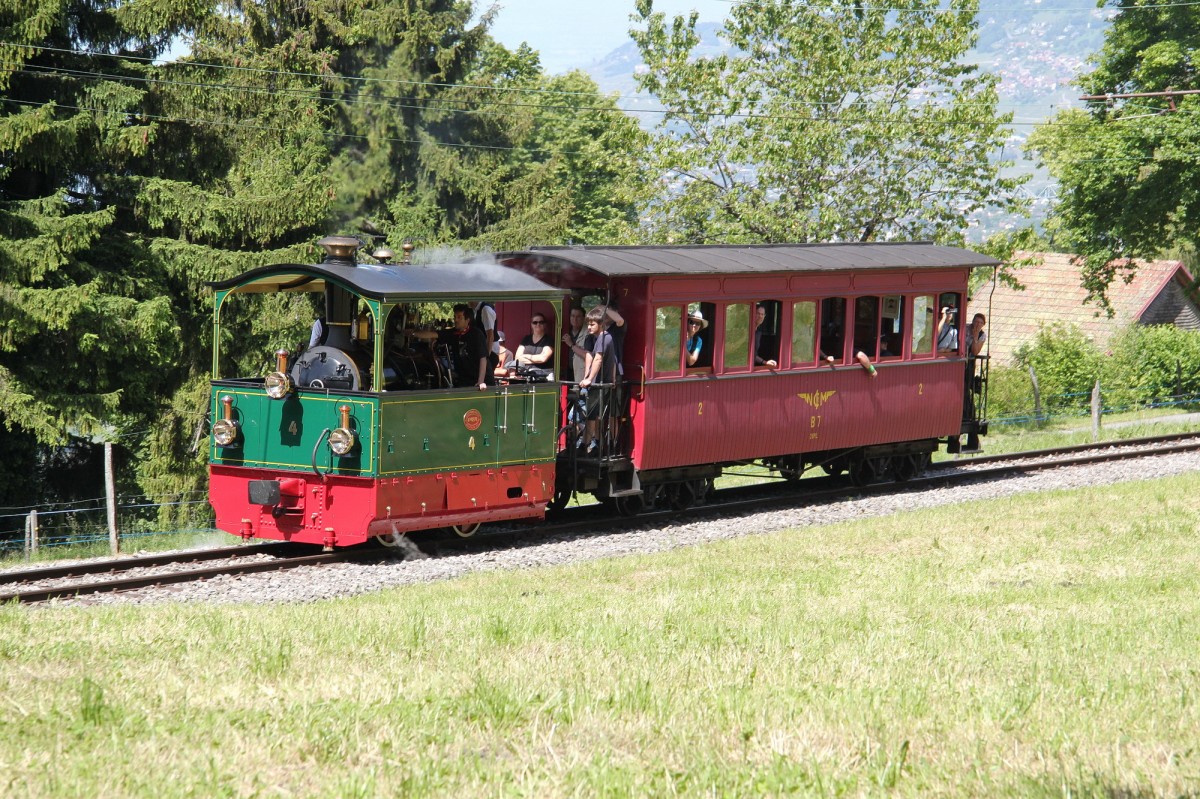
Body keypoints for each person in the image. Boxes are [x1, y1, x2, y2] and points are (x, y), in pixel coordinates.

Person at [579, 306, 619, 454]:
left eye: (592, 324)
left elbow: (598, 359)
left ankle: (588, 444)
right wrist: (613, 378)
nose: (589, 327)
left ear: (601, 324)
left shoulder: (603, 338)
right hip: (603, 382)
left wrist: (589, 379)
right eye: (588, 324)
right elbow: (614, 360)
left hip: (599, 383)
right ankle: (591, 443)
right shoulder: (605, 338)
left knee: (591, 415)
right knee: (595, 414)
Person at [447, 304, 489, 391]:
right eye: (455, 317)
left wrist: (481, 381)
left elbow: (483, 358)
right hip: (465, 380)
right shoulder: (454, 333)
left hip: (481, 381)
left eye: (459, 317)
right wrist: (413, 333)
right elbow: (436, 334)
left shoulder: (476, 334)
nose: (455, 320)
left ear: (467, 320)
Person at [469, 300, 499, 379]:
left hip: (490, 352)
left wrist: (486, 358)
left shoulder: (485, 309)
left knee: (487, 380)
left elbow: (490, 336)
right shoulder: (476, 310)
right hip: (484, 352)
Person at [560, 305, 588, 382]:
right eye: (572, 316)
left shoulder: (588, 333)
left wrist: (571, 344)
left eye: (578, 316)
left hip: (581, 372)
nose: (575, 319)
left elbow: (587, 355)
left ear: (583, 317)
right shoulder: (565, 330)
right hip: (566, 372)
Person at [753, 302, 778, 368]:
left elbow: (754, 355)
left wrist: (765, 362)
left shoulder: (758, 332)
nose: (760, 316)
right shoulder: (748, 331)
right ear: (753, 313)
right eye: (758, 313)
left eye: (762, 314)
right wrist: (765, 362)